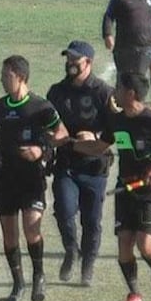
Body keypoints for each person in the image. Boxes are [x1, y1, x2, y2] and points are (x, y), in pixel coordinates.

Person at [74, 72, 151, 301]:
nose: (114, 91)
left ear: (131, 93)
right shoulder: (116, 121)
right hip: (125, 189)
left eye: (119, 87)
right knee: (124, 245)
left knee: (144, 244)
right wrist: (69, 144)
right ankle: (134, 293)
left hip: (150, 192)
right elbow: (99, 147)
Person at [0, 55, 69, 301]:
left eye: (6, 76)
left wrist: (41, 149)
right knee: (9, 235)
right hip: (5, 178)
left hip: (31, 178)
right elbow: (4, 136)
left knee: (32, 229)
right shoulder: (1, 106)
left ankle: (39, 276)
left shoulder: (41, 106)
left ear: (20, 77)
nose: (2, 80)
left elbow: (62, 134)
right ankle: (18, 283)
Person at [45, 41, 114, 287]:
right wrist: (49, 141)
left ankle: (88, 265)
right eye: (68, 59)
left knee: (92, 220)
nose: (70, 64)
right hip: (66, 164)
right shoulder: (56, 92)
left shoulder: (103, 92)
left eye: (75, 60)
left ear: (88, 63)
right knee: (64, 210)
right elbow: (46, 125)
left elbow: (120, 131)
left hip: (95, 167)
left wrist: (95, 138)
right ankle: (71, 251)